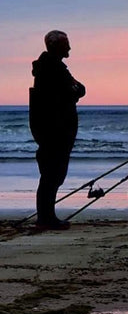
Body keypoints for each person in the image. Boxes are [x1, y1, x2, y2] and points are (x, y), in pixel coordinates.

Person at [29, 30, 85, 230]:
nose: (69, 48)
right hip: (54, 130)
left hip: (57, 130)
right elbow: (72, 90)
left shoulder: (56, 68)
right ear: (56, 47)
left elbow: (80, 89)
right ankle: (46, 217)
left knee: (54, 174)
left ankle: (47, 215)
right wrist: (73, 91)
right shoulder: (52, 69)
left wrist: (74, 90)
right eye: (65, 44)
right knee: (52, 174)